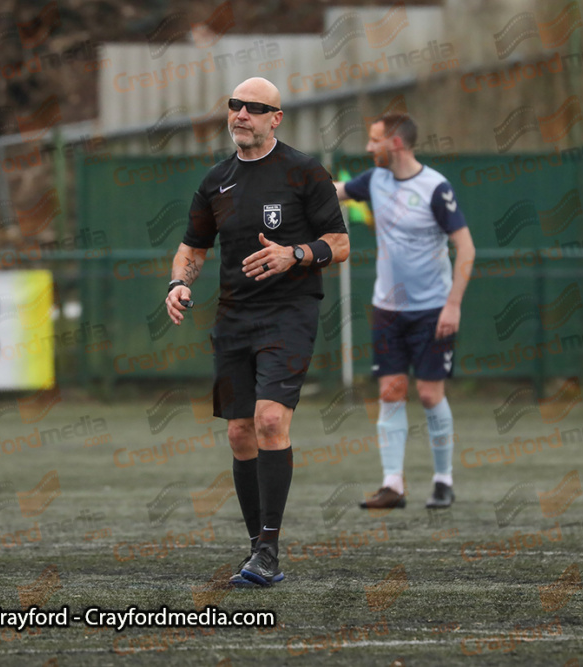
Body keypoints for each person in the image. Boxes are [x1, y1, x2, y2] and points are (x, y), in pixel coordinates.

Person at [165, 77, 349, 586]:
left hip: (289, 313)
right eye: (234, 105)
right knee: (239, 431)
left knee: (270, 421)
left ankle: (268, 550)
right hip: (233, 319)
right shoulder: (215, 182)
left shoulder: (304, 172)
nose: (241, 114)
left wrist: (294, 253)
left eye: (253, 107)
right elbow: (193, 247)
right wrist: (179, 283)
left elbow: (340, 242)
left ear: (276, 118)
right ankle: (257, 549)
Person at [334, 113, 475, 510]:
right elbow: (335, 191)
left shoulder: (435, 188)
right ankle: (392, 485)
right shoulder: (373, 181)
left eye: (373, 139)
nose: (367, 147)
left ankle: (443, 480)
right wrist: (285, 184)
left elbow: (466, 248)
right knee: (390, 391)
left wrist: (453, 305)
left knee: (430, 395)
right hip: (387, 310)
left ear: (395, 143)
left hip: (433, 310)